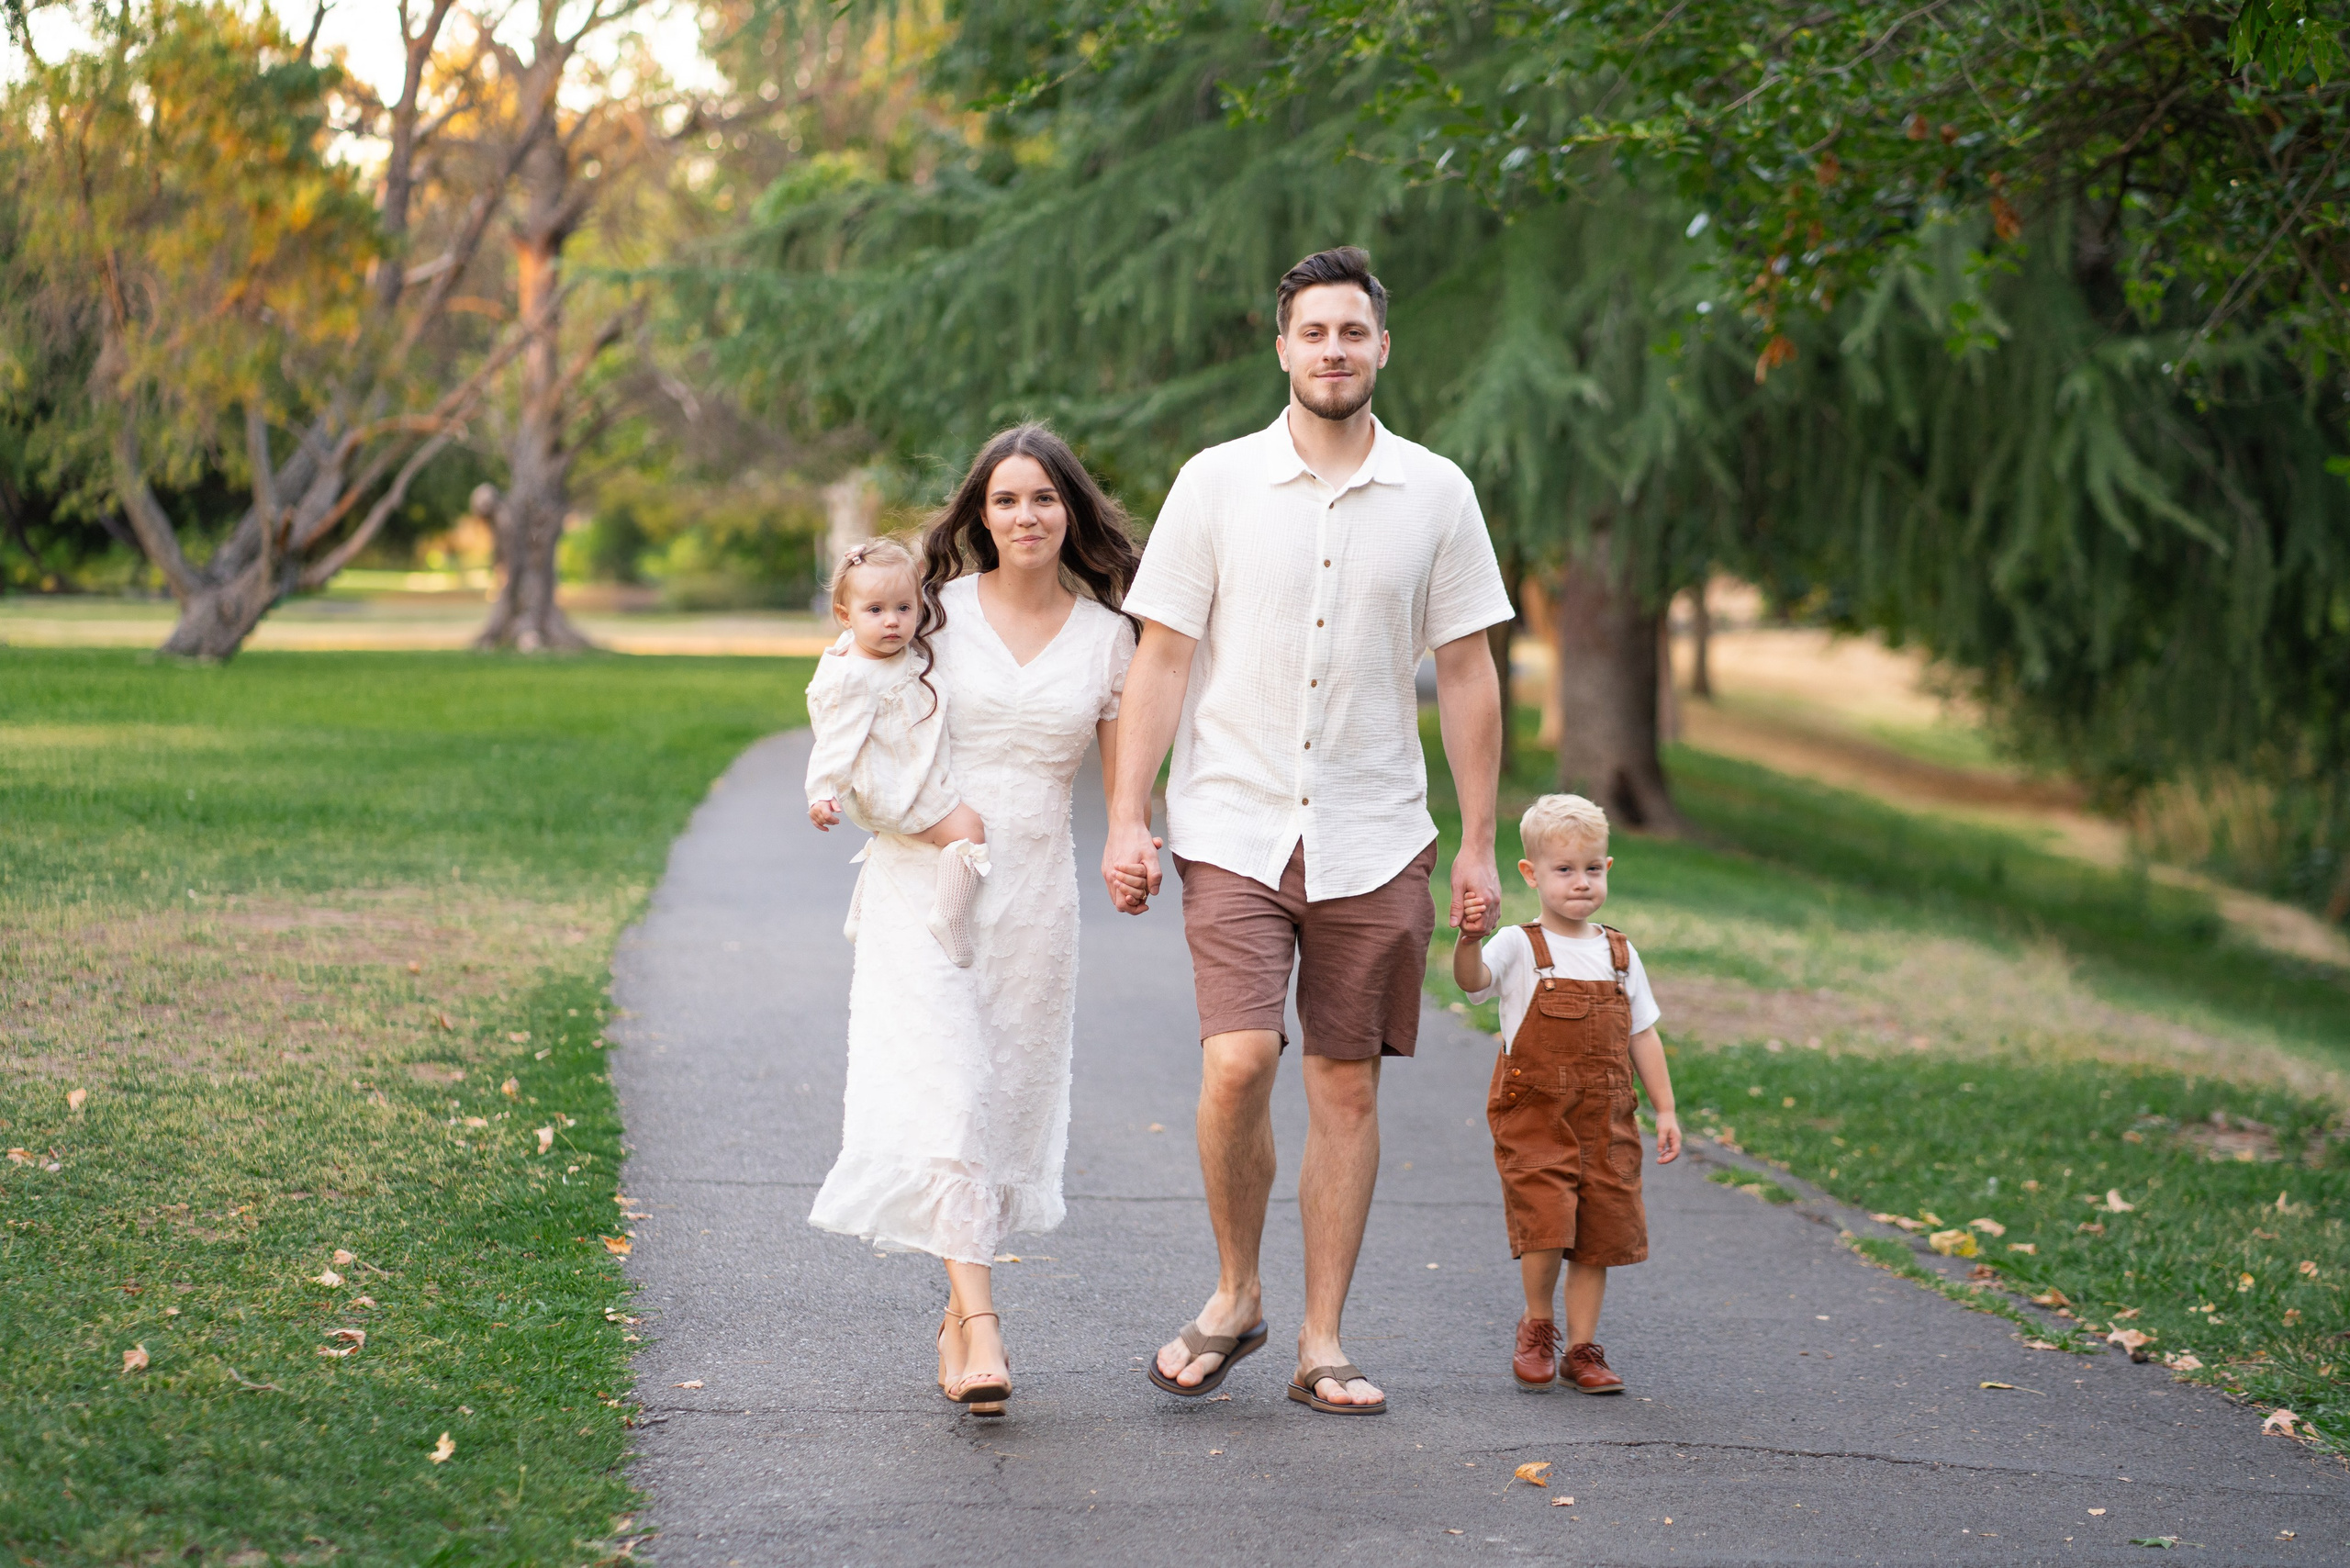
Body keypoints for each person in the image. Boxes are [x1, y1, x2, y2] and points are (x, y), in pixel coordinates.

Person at [1103, 245, 1513, 1416]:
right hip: (1230, 822)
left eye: (1353, 331)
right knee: (1237, 1063)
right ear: (1282, 348)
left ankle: (1322, 1338)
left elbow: (1468, 669)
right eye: (1313, 331)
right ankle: (1237, 1292)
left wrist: (1477, 841)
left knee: (1345, 1086)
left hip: (1375, 831)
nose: (1333, 349)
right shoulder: (1215, 482)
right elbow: (1163, 654)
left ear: (1383, 347)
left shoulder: (1438, 492)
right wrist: (1128, 815)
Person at [808, 425, 1140, 1417]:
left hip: (1036, 892)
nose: (1025, 515)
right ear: (978, 514)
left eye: (1043, 497)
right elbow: (852, 716)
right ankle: (986, 1321)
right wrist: (926, 818)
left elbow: (1129, 785)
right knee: (949, 1088)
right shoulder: (930, 614)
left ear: (1070, 509)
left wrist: (1137, 843)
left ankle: (957, 1312)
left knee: (1001, 1099)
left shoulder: (1110, 637)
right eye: (1004, 500)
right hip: (926, 882)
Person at [1452, 793, 1682, 1394]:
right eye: (1564, 869)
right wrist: (1467, 942)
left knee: (1599, 1234)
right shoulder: (1519, 946)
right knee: (1549, 1222)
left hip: (1605, 1119)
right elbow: (1473, 984)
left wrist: (1666, 1108)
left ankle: (1583, 1348)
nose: (1580, 882)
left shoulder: (1621, 954)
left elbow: (1643, 1034)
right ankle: (1538, 1323)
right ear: (1531, 874)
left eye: (1593, 868)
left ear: (1608, 869)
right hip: (1536, 1116)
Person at [804, 537, 990, 966]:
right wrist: (822, 792)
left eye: (904, 609)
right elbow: (835, 739)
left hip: (883, 792)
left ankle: (859, 913)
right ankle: (950, 915)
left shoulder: (873, 651)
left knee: (891, 840)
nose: (892, 622)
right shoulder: (855, 677)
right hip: (892, 788)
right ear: (844, 616)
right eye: (875, 611)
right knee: (968, 829)